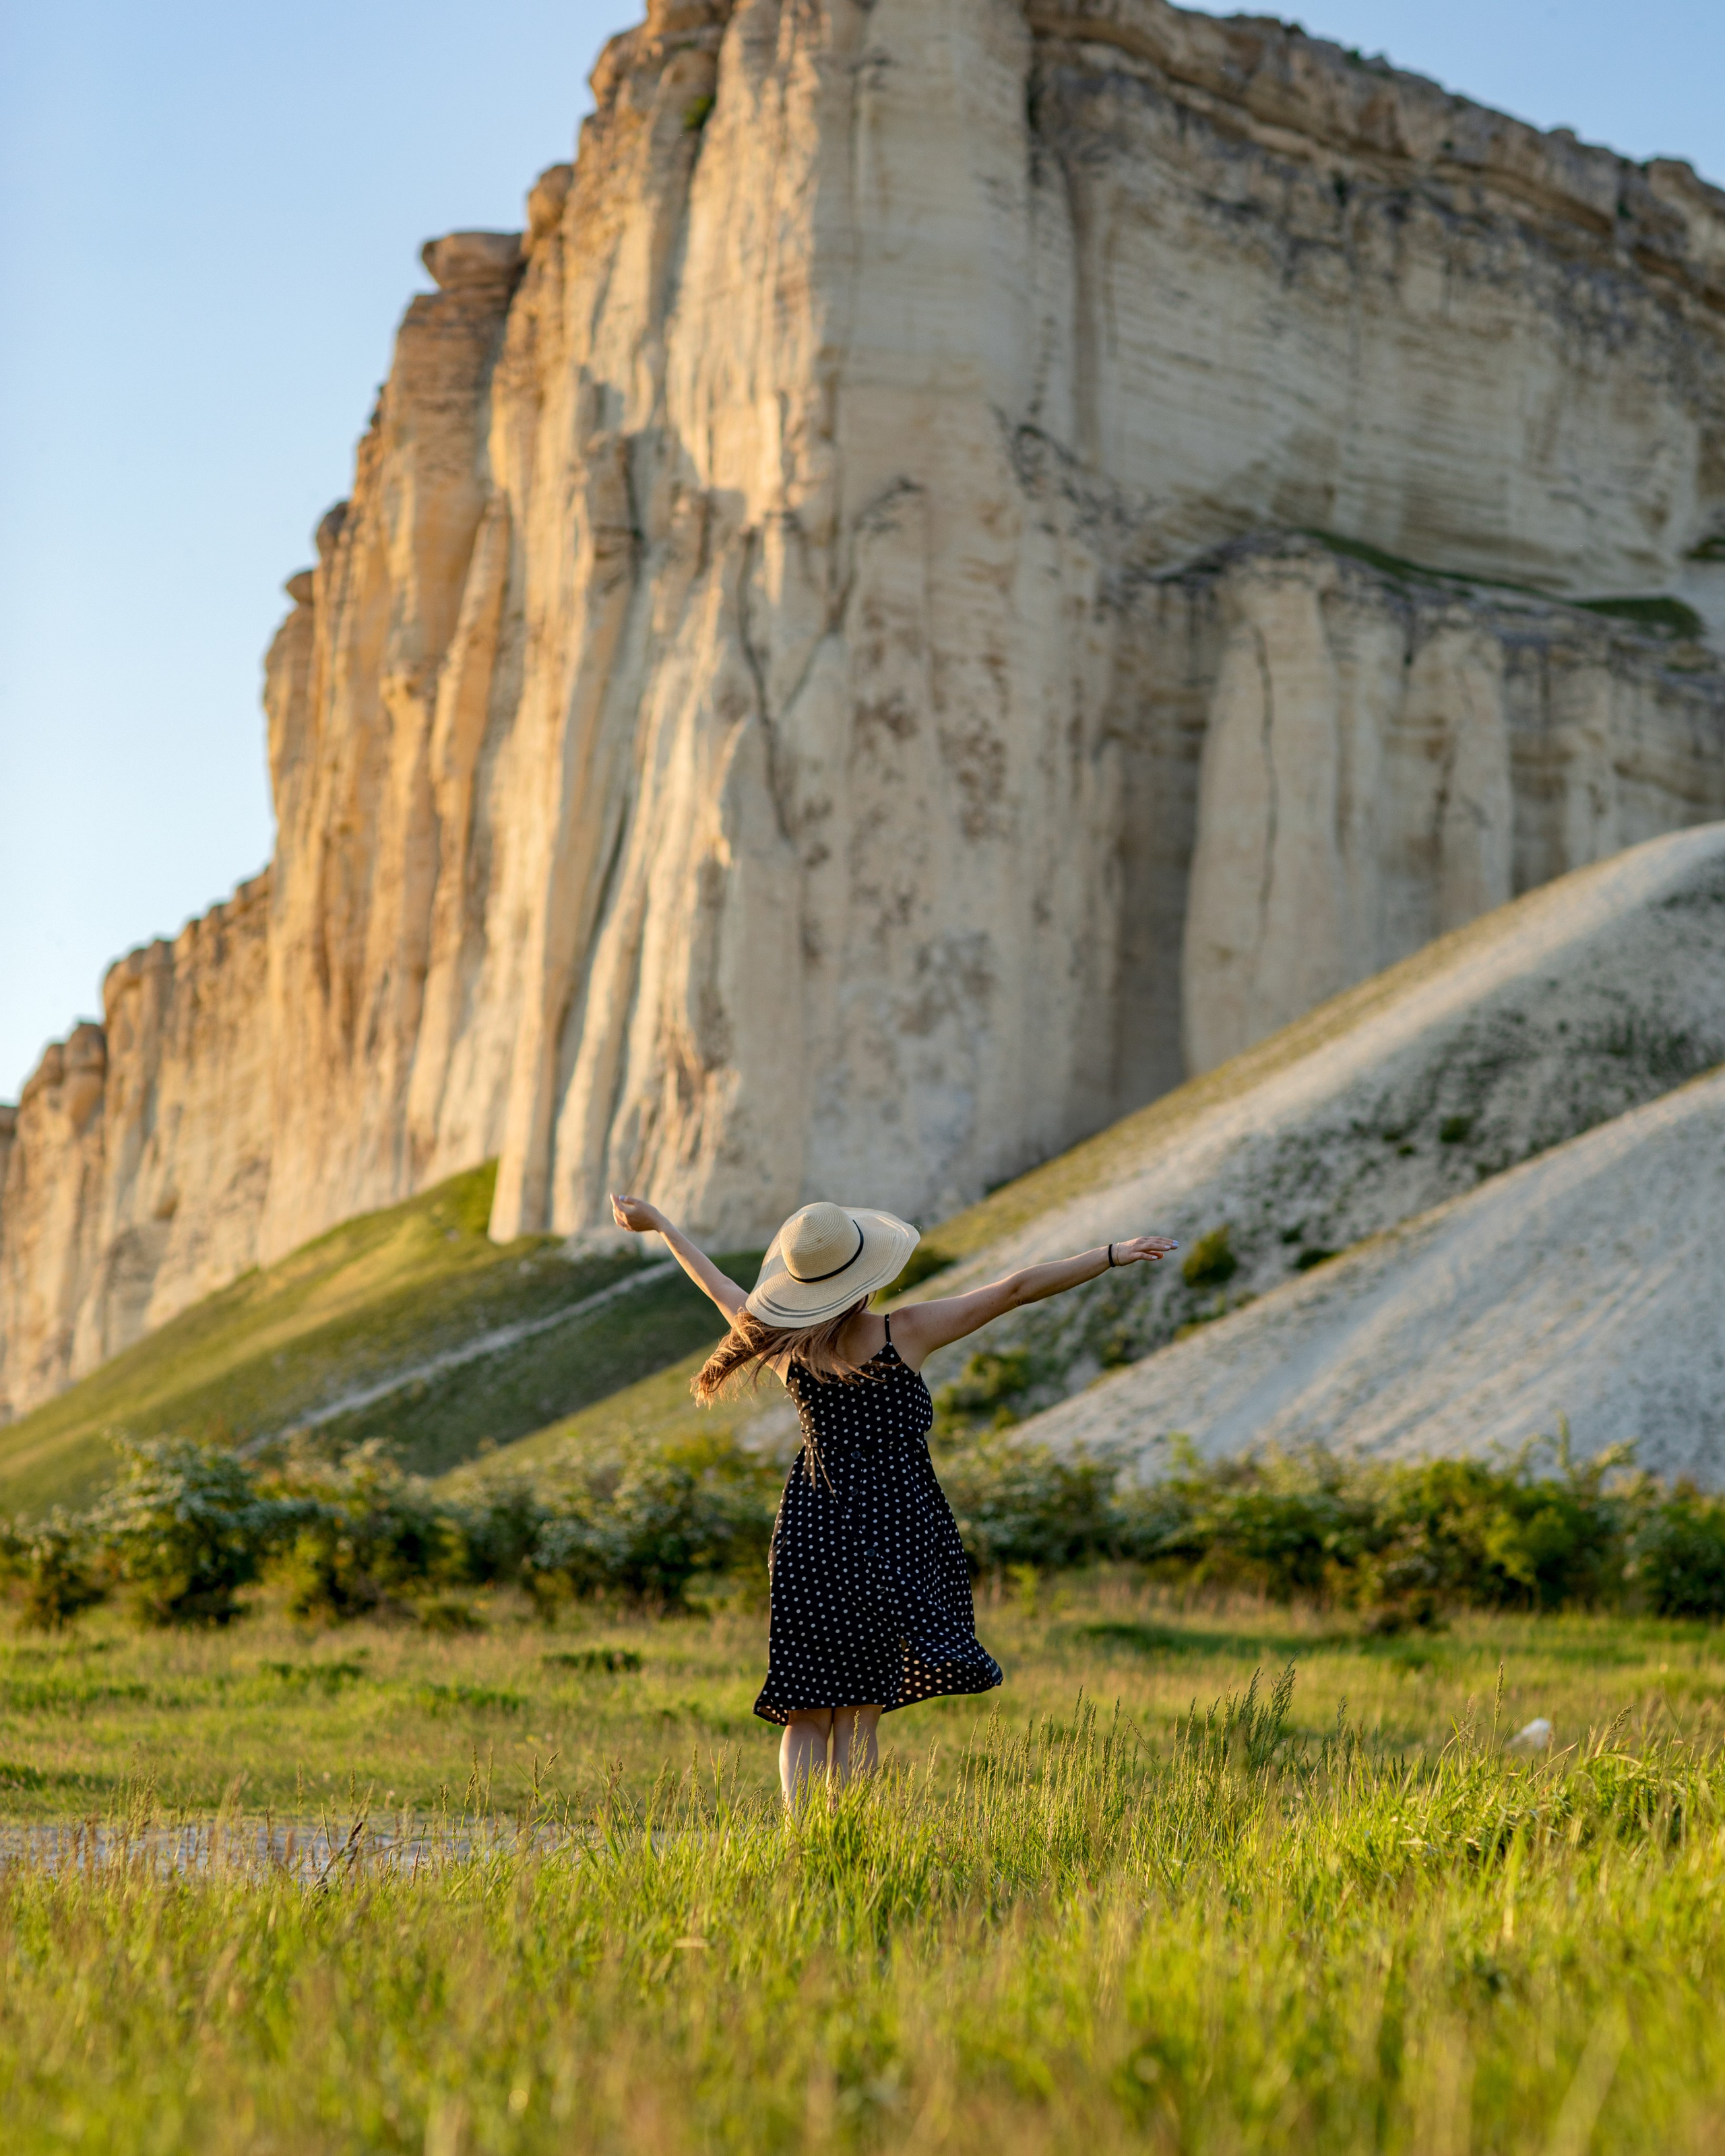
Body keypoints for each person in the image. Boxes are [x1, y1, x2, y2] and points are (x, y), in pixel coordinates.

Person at [608, 1193, 1177, 1807]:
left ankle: (805, 1844)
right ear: (865, 1278)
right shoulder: (903, 1332)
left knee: (806, 1711)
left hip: (810, 1533)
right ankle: (848, 1838)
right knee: (857, 1714)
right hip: (890, 1536)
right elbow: (1015, 1290)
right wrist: (1112, 1254)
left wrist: (662, 1223)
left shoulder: (782, 1343)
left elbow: (716, 1284)